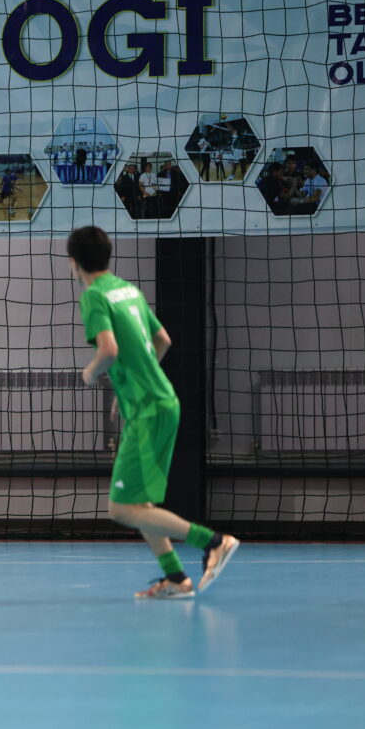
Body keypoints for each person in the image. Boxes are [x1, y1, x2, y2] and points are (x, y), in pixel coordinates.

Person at [67, 226, 239, 598]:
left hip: (148, 410)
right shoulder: (128, 289)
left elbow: (109, 350)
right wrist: (131, 385)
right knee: (140, 504)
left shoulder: (94, 295)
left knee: (121, 508)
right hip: (160, 402)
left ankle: (213, 542)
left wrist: (90, 373)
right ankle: (176, 579)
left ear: (73, 263)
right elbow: (163, 340)